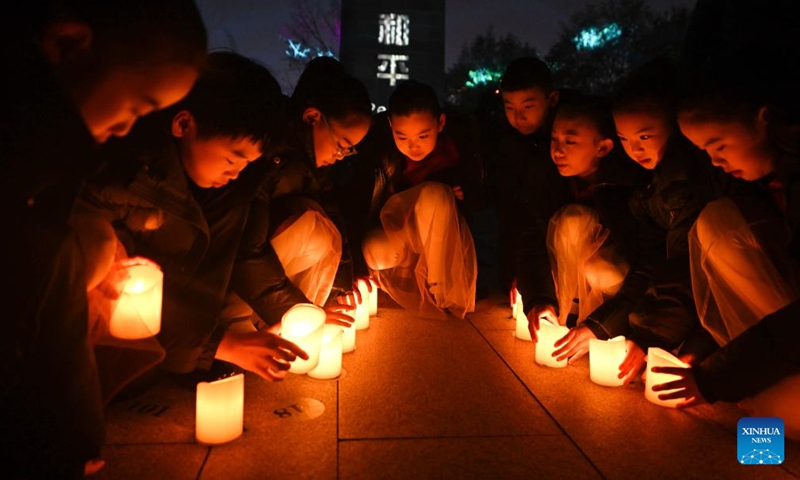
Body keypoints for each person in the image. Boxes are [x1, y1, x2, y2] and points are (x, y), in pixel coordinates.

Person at [0, 1, 207, 477]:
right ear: (69, 45)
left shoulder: (48, 161)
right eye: (138, 106)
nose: (128, 128)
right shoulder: (27, 164)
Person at [569, 57, 742, 382]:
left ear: (675, 128)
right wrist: (601, 325)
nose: (634, 149)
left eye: (645, 137)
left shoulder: (684, 184)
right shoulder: (644, 185)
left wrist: (651, 337)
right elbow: (649, 262)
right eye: (624, 139)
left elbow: (681, 263)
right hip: (686, 298)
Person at [652, 71, 800, 439]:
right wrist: (706, 352)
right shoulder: (767, 187)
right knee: (761, 409)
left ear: (763, 119)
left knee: (769, 417)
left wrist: (715, 378)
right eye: (705, 152)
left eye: (719, 145)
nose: (715, 161)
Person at [225, 57, 373, 335]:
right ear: (312, 117)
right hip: (231, 281)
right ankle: (235, 321)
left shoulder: (311, 167)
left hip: (261, 281)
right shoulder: (269, 157)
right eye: (341, 146)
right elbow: (247, 249)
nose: (340, 157)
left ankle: (272, 316)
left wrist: (344, 285)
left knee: (320, 224)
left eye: (348, 151)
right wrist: (297, 312)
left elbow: (335, 222)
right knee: (310, 220)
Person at [345, 80, 484, 319]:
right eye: (402, 137)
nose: (413, 146)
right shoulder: (380, 154)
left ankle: (439, 288)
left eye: (423, 135)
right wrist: (354, 268)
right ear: (390, 125)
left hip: (441, 244)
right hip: (398, 236)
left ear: (440, 123)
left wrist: (464, 195)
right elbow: (359, 206)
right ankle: (402, 279)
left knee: (435, 193)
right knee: (375, 251)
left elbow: (484, 198)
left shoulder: (458, 151)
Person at [518, 95, 643, 361]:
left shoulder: (629, 191)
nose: (558, 150)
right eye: (554, 139)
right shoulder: (549, 181)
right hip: (570, 300)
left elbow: (645, 265)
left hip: (622, 305)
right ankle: (568, 319)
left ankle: (595, 330)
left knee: (577, 223)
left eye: (570, 141)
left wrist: (601, 325)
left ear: (603, 147)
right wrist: (538, 298)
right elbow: (532, 241)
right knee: (570, 220)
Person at [490, 57, 574, 317]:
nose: (518, 117)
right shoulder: (507, 146)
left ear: (551, 99)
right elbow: (515, 218)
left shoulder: (572, 139)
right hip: (528, 249)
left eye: (528, 106)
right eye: (509, 107)